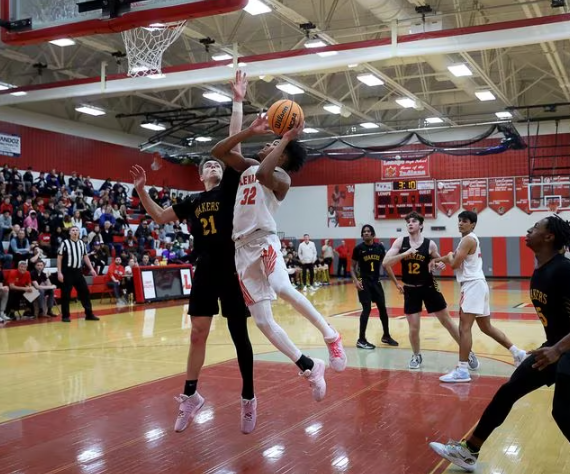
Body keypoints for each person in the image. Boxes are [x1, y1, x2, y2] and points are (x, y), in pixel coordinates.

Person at [429, 215, 570, 474]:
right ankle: (469, 451)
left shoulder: (564, 269)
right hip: (562, 347)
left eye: (536, 227)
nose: (529, 229)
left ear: (549, 237)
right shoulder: (541, 269)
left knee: (563, 415)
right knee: (509, 390)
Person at [129, 71, 258, 434]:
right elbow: (157, 215)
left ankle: (248, 398)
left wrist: (237, 101)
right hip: (205, 268)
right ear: (201, 176)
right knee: (197, 333)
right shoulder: (193, 201)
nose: (214, 165)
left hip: (232, 267)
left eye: (216, 163)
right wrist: (141, 191)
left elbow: (232, 148)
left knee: (239, 335)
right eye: (208, 165)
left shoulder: (230, 189)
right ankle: (190, 397)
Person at [211, 112, 346, 404]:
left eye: (273, 144)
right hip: (241, 249)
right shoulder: (247, 166)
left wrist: (285, 138)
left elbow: (263, 176)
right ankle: (309, 367)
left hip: (264, 241)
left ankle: (330, 335)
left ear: (282, 156)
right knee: (262, 321)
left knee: (283, 287)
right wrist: (249, 131)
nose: (267, 143)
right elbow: (218, 151)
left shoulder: (281, 178)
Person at [432, 211, 526, 383]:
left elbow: (454, 264)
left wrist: (448, 258)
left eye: (465, 221)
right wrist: (440, 260)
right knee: (486, 327)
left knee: (464, 328)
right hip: (478, 285)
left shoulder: (468, 240)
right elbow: (451, 257)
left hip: (472, 286)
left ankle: (462, 369)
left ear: (473, 224)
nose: (460, 223)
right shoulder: (467, 240)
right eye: (459, 220)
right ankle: (518, 353)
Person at [383, 211, 478, 370]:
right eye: (408, 222)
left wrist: (438, 264)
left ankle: (467, 352)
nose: (410, 224)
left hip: (428, 287)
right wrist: (405, 253)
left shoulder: (430, 244)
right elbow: (386, 262)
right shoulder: (401, 242)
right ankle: (416, 355)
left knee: (447, 321)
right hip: (410, 289)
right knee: (414, 327)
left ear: (420, 225)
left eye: (413, 221)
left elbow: (437, 260)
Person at [351, 224, 399, 349]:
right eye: (364, 232)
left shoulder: (379, 247)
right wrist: (356, 281)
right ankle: (361, 339)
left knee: (383, 309)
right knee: (366, 309)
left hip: (376, 282)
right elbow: (352, 267)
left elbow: (387, 266)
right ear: (362, 235)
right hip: (364, 282)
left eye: (368, 231)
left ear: (373, 234)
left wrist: (396, 283)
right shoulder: (358, 249)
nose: (366, 233)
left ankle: (386, 336)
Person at [57, 226, 99, 323]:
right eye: (73, 230)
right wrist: (59, 272)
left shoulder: (81, 243)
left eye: (76, 230)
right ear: (70, 233)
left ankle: (89, 314)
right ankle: (65, 316)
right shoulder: (65, 243)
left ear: (79, 232)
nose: (75, 232)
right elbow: (59, 258)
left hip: (78, 272)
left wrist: (91, 269)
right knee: (66, 294)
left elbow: (85, 257)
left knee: (85, 292)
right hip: (67, 272)